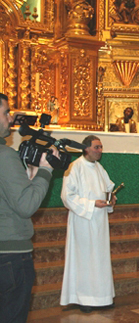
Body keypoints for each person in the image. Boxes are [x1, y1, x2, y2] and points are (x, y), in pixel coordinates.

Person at [0, 93, 57, 322]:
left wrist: (30, 178)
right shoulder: (4, 156)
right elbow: (25, 206)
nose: (10, 118)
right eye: (5, 112)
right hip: (10, 257)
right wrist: (45, 170)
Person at [60, 135, 116, 313]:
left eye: (101, 147)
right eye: (96, 147)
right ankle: (84, 297)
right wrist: (92, 204)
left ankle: (102, 296)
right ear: (86, 149)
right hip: (82, 220)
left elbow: (108, 188)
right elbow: (67, 196)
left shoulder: (99, 168)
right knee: (84, 259)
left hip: (99, 221)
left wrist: (111, 198)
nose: (100, 151)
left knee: (99, 258)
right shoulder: (75, 167)